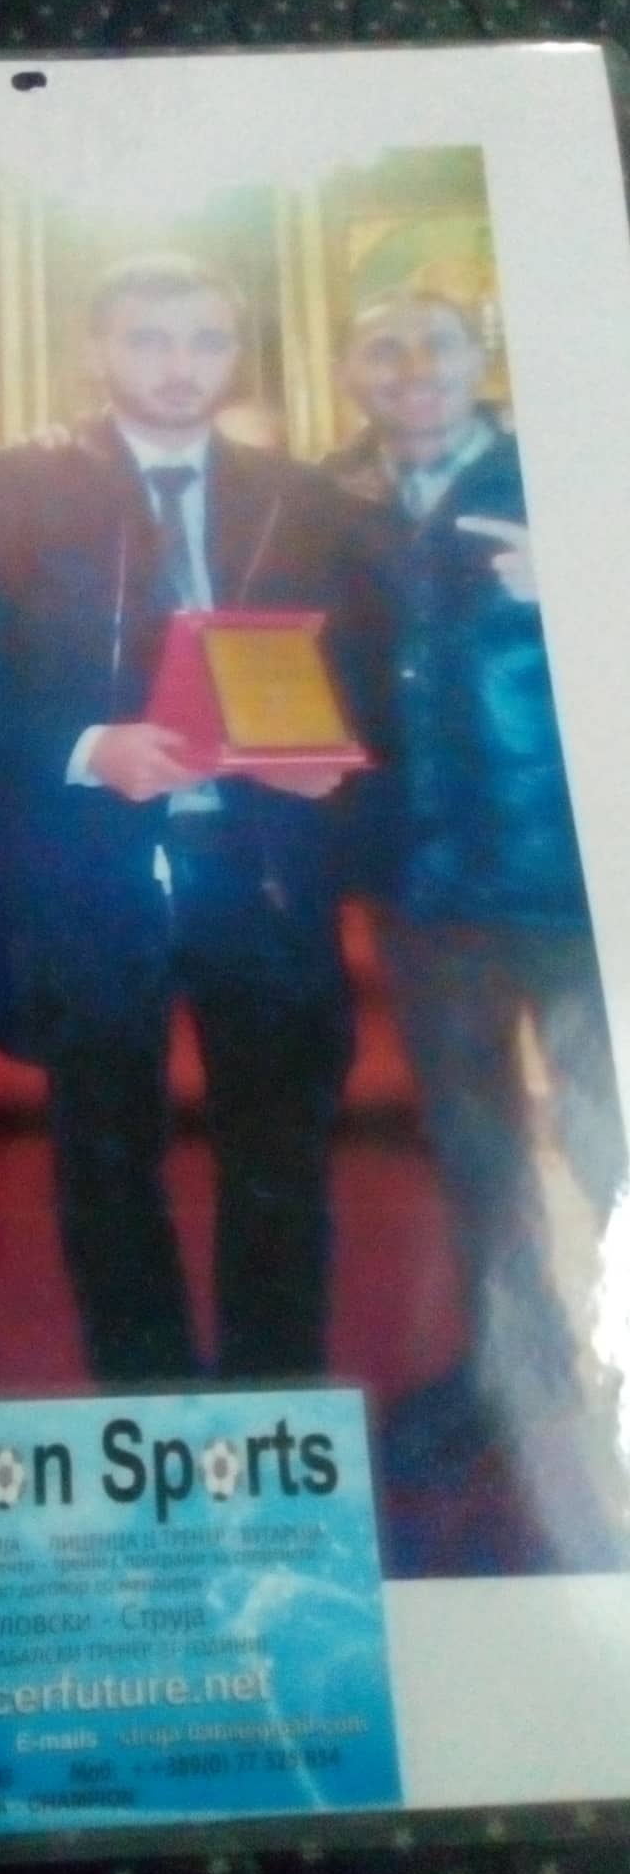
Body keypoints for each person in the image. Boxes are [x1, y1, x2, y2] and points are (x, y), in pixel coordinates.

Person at [0, 252, 371, 1387]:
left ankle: (273, 1393)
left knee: (281, 1147)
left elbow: (364, 660)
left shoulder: (303, 496)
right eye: (149, 340)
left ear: (237, 355)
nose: (180, 367)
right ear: (98, 350)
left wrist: (329, 757)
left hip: (262, 863)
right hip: (87, 859)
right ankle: (148, 1392)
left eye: (207, 341)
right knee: (105, 1150)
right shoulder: (5, 487)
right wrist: (87, 747)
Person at [328, 292, 627, 1548]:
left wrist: (590, 582)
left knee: (611, 1134)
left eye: (437, 344)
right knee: (476, 1149)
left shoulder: (578, 464)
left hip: (573, 871)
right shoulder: (331, 502)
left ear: (480, 358)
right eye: (383, 348)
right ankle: (516, 1374)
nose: (413, 369)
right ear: (350, 370)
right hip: (426, 885)